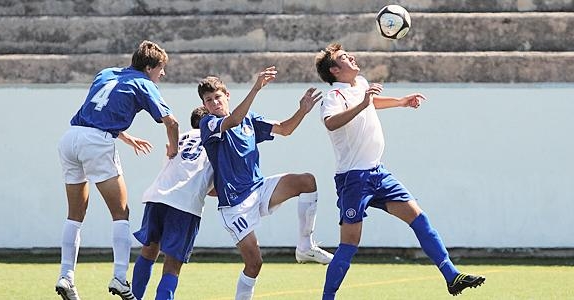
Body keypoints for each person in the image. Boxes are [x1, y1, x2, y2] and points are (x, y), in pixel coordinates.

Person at [314, 43, 485, 298]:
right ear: (335, 70)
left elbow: (372, 103)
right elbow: (331, 123)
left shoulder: (360, 83)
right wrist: (362, 104)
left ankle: (452, 276)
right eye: (344, 57)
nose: (352, 56)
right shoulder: (333, 97)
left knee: (419, 218)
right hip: (353, 178)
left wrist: (401, 102)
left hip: (378, 173)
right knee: (349, 244)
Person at [55, 40, 179, 300]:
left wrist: (125, 136)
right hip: (97, 143)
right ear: (149, 67)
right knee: (121, 213)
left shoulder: (107, 73)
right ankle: (120, 278)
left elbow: (99, 109)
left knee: (75, 214)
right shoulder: (145, 83)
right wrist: (173, 150)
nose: (162, 73)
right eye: (161, 68)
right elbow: (172, 121)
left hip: (71, 138)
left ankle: (66, 276)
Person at [198, 67, 334, 300]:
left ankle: (305, 246)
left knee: (306, 181)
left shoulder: (249, 120)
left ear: (227, 95)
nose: (214, 103)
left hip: (259, 189)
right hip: (234, 205)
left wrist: (302, 110)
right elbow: (234, 119)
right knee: (254, 263)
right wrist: (256, 88)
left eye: (217, 97)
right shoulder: (208, 124)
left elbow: (285, 129)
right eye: (208, 100)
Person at [131, 106, 214, 300]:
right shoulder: (216, 140)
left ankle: (134, 297)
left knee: (148, 252)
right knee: (173, 264)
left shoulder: (181, 137)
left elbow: (171, 165)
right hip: (185, 204)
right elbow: (216, 184)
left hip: (158, 197)